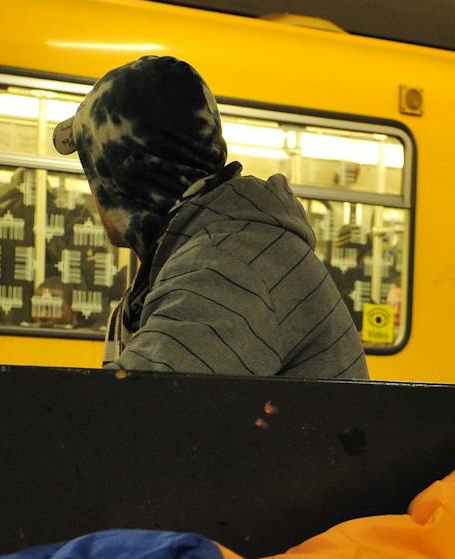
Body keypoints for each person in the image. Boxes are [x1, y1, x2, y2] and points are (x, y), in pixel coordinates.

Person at [53, 55, 368, 379]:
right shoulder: (227, 243)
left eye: (92, 173)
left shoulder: (228, 267)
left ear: (121, 178)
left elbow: (136, 412)